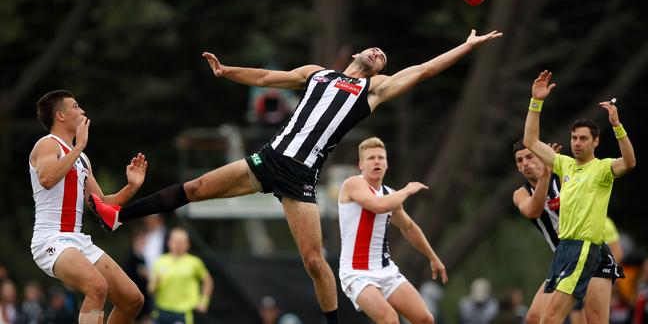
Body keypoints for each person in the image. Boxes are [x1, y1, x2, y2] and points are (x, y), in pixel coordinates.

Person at [89, 29, 502, 323]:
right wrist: (227, 72)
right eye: (375, 52)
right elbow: (269, 78)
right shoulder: (318, 72)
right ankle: (117, 216)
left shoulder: (372, 91)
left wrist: (465, 46)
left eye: (383, 59)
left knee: (314, 262)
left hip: (301, 176)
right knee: (196, 187)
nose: (379, 55)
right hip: (269, 159)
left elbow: (425, 70)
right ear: (358, 52)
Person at [522, 70, 636, 324]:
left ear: (595, 142)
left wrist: (617, 126)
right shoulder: (565, 165)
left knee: (551, 319)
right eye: (574, 137)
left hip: (584, 247)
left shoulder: (603, 168)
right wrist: (536, 101)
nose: (576, 143)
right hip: (564, 249)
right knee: (540, 318)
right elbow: (530, 140)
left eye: (583, 138)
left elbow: (629, 162)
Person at [29, 90, 146, 324]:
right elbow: (47, 179)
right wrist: (79, 145)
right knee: (97, 286)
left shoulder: (81, 158)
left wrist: (132, 187)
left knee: (133, 300)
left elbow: (102, 204)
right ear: (60, 115)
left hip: (76, 240)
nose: (82, 111)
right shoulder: (47, 145)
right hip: (50, 239)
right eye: (75, 106)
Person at [512, 140, 626, 324]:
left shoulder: (563, 177)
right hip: (563, 258)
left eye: (530, 157)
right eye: (519, 160)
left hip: (591, 254)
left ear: (542, 157)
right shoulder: (521, 193)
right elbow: (533, 210)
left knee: (594, 320)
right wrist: (545, 175)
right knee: (534, 318)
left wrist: (551, 171)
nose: (525, 163)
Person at [337, 137, 446, 324]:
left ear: (387, 164)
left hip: (385, 270)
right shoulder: (353, 184)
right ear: (361, 165)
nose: (377, 161)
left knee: (425, 319)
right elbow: (378, 206)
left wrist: (433, 257)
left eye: (381, 158)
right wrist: (407, 190)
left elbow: (409, 227)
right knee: (390, 319)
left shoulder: (389, 194)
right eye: (371, 158)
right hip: (357, 272)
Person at [149, 227, 213, 324]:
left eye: (182, 241)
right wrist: (155, 283)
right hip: (161, 312)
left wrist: (204, 301)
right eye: (175, 240)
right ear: (169, 242)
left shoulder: (194, 262)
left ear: (188, 244)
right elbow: (151, 289)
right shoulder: (160, 261)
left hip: (183, 312)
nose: (178, 244)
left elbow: (208, 281)